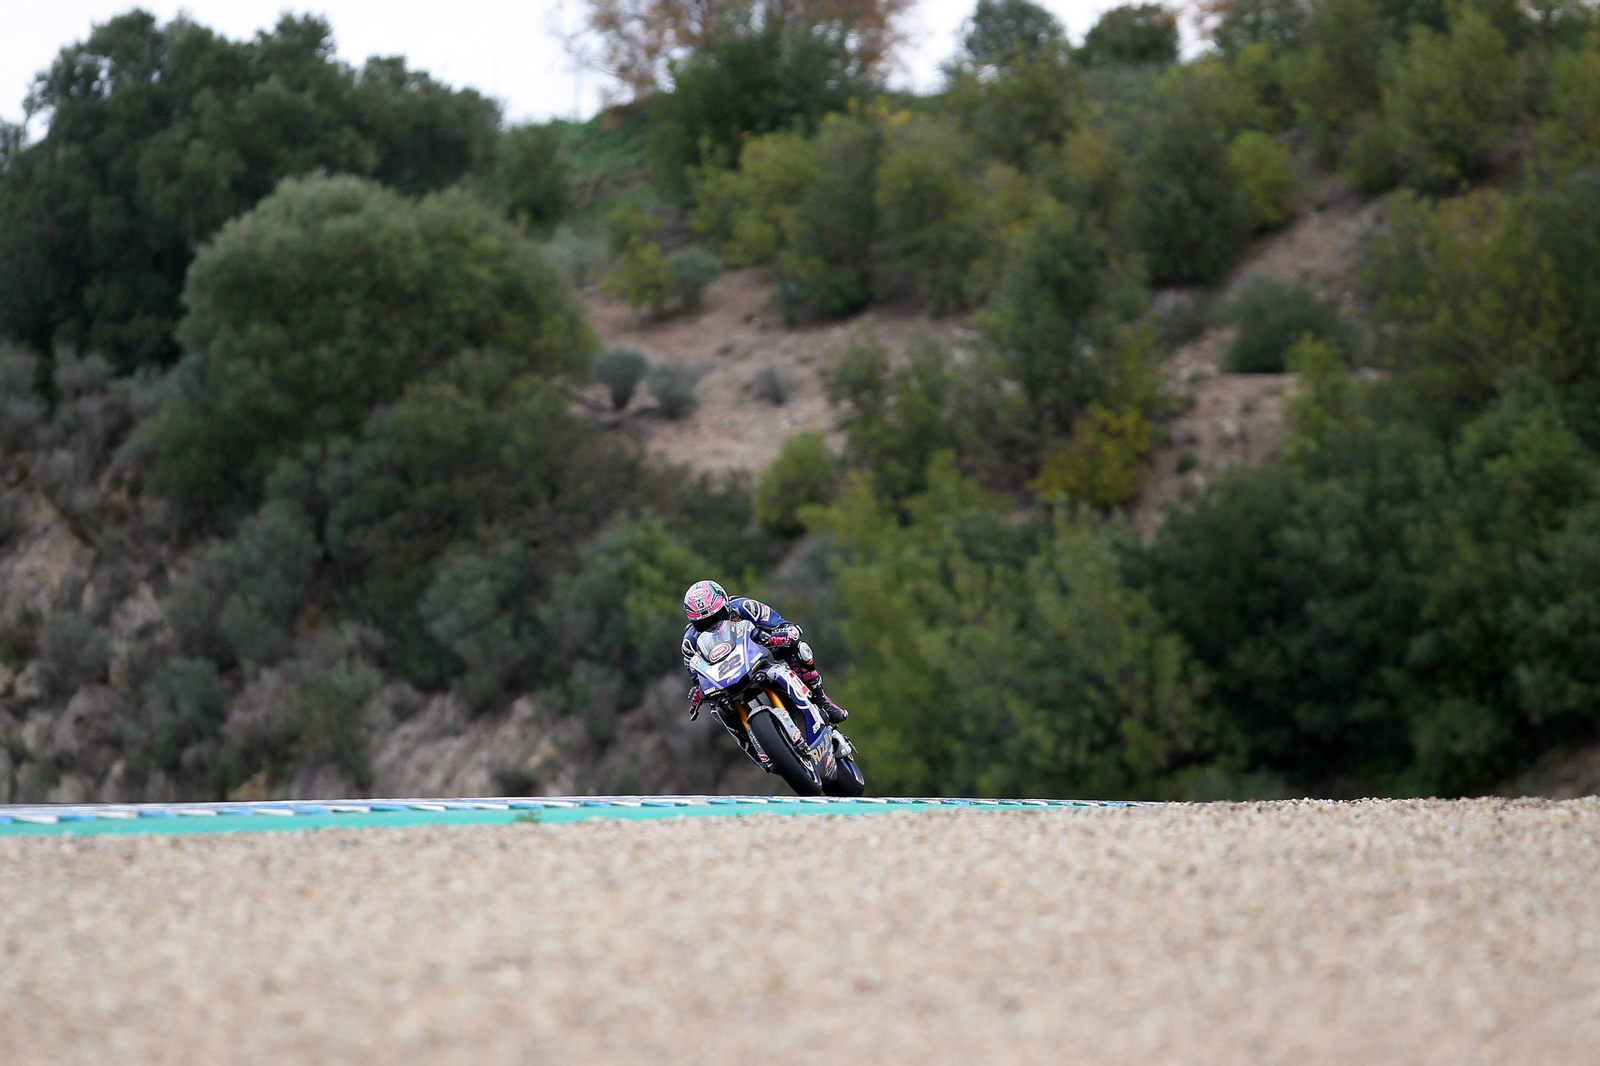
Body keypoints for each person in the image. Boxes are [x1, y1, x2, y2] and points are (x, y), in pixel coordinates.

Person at [680, 579, 849, 725]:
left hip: (760, 655)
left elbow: (781, 624)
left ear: (726, 605)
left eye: (718, 616)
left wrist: (782, 635)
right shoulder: (690, 642)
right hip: (724, 678)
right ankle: (754, 748)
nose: (713, 625)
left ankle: (822, 700)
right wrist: (696, 692)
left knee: (799, 650)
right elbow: (697, 677)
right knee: (719, 708)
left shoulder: (744, 607)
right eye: (703, 624)